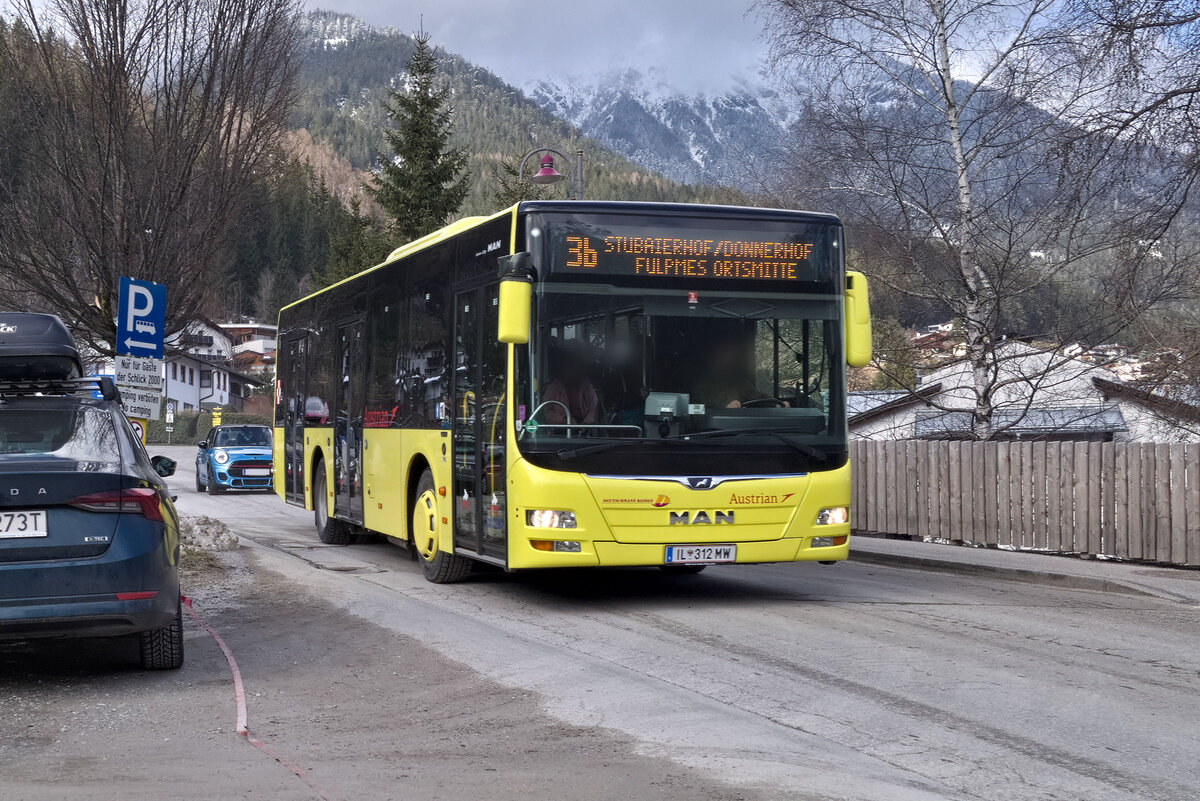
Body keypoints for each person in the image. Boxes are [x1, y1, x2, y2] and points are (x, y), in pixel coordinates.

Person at [691, 337, 769, 409]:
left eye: (733, 356)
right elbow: (696, 409)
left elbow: (758, 397)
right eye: (725, 354)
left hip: (739, 422)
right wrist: (727, 406)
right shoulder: (701, 385)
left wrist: (775, 403)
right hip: (713, 423)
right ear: (714, 358)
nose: (729, 360)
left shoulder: (740, 383)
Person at [542, 342, 598, 425]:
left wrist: (586, 424)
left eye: (576, 366)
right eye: (569, 366)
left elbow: (594, 409)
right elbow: (545, 411)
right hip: (560, 428)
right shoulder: (554, 388)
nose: (572, 370)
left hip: (585, 429)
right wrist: (564, 420)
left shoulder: (588, 386)